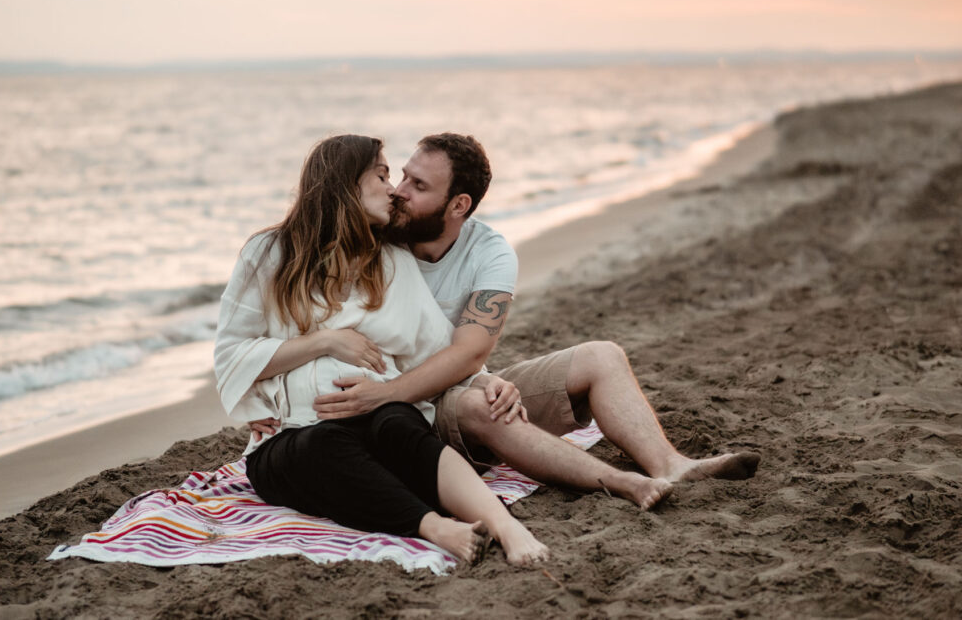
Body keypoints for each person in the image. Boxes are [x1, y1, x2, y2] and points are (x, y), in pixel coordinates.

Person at [253, 133, 759, 507]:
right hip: (401, 413)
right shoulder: (378, 237)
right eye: (402, 175)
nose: (400, 190)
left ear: (459, 205)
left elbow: (470, 351)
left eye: (418, 184)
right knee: (480, 405)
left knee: (601, 355)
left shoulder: (489, 251)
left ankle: (670, 465)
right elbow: (297, 304)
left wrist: (488, 377)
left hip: (449, 382)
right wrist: (266, 394)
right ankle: (618, 482)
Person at [214, 134, 550, 566]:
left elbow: (434, 346)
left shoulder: (390, 260)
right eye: (382, 175)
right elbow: (231, 354)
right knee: (322, 446)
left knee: (399, 424)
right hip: (292, 433)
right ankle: (436, 527)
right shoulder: (268, 254)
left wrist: (487, 379)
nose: (394, 190)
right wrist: (325, 340)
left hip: (375, 418)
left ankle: (506, 526)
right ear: (344, 184)